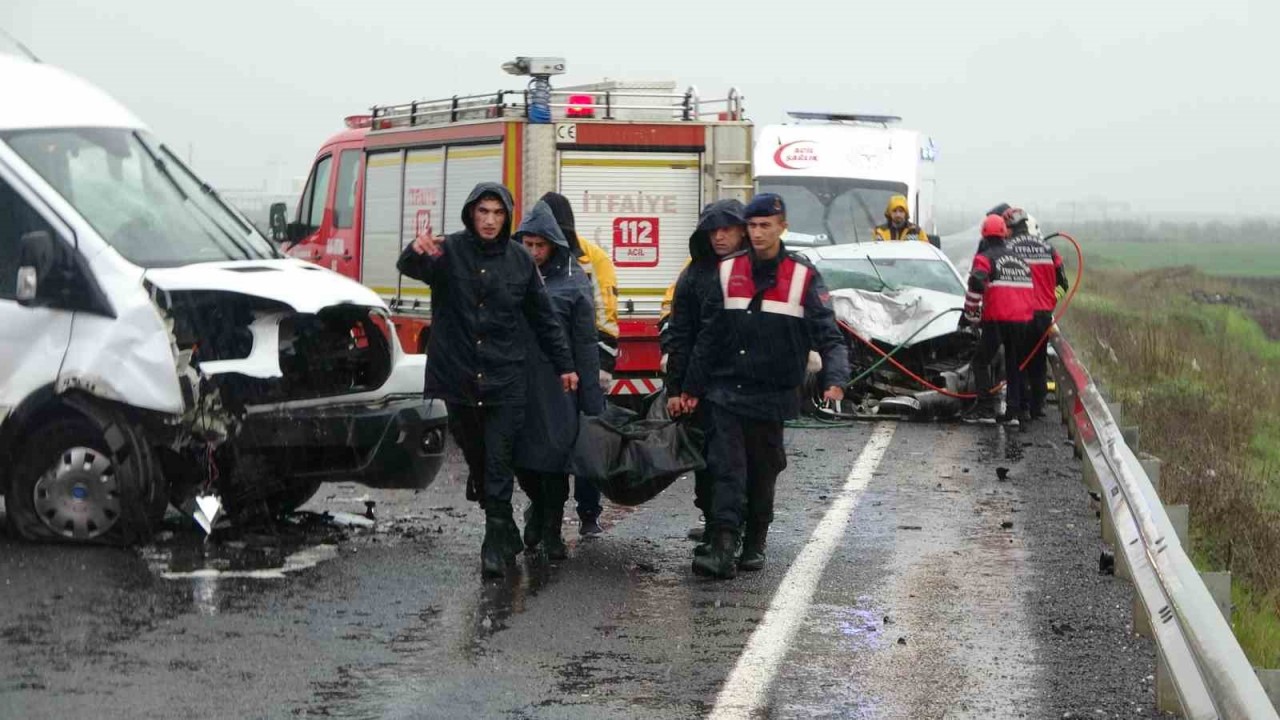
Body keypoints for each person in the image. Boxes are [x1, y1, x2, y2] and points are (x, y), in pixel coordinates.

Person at [396, 182, 578, 578]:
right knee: (478, 462)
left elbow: (543, 317)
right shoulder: (450, 251)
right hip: (458, 376)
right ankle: (504, 525)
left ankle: (494, 541)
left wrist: (565, 364)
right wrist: (416, 248)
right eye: (484, 212)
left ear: (507, 216)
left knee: (498, 461)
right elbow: (409, 267)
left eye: (498, 213)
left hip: (505, 377)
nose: (491, 221)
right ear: (471, 214)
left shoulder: (519, 261)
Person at [679, 193, 850, 579]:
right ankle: (723, 544)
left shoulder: (803, 276)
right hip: (726, 388)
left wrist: (835, 379)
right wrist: (690, 386)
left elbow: (829, 335)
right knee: (726, 467)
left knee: (763, 469)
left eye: (765, 226)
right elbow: (709, 335)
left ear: (781, 227)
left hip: (774, 392)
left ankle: (755, 537)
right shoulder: (727, 271)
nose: (757, 233)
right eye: (752, 226)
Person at [512, 200, 605, 561]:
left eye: (541, 245)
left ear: (553, 243)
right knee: (522, 460)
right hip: (518, 383)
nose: (534, 252)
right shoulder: (512, 274)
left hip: (559, 386)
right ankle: (537, 508)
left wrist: (591, 401)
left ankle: (551, 529)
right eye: (528, 244)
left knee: (553, 462)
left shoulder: (573, 281)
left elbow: (585, 343)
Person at [659, 199, 749, 554]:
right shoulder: (694, 274)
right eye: (713, 230)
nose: (720, 237)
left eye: (727, 229)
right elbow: (682, 333)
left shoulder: (752, 271)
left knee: (738, 463)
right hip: (706, 387)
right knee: (707, 461)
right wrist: (676, 389)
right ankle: (717, 527)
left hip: (742, 385)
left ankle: (735, 533)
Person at [538, 191, 618, 536]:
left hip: (585, 366)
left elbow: (606, 315)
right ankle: (544, 515)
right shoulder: (531, 257)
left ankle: (588, 513)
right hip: (546, 371)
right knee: (547, 444)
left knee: (587, 441)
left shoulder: (591, 259)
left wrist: (600, 367)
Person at [960, 213, 1035, 425]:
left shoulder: (984, 258)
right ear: (1004, 232)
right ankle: (1015, 411)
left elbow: (976, 283)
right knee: (1015, 364)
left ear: (984, 233)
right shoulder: (1020, 260)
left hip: (997, 319)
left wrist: (970, 313)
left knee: (980, 361)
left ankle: (985, 408)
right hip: (1023, 319)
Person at [1005, 206, 1068, 421]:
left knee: (1018, 360)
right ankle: (1038, 406)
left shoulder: (1008, 248)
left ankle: (1020, 406)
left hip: (1018, 314)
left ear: (1011, 228)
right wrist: (1051, 300)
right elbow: (1063, 283)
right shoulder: (1049, 249)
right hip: (1042, 315)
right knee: (1038, 360)